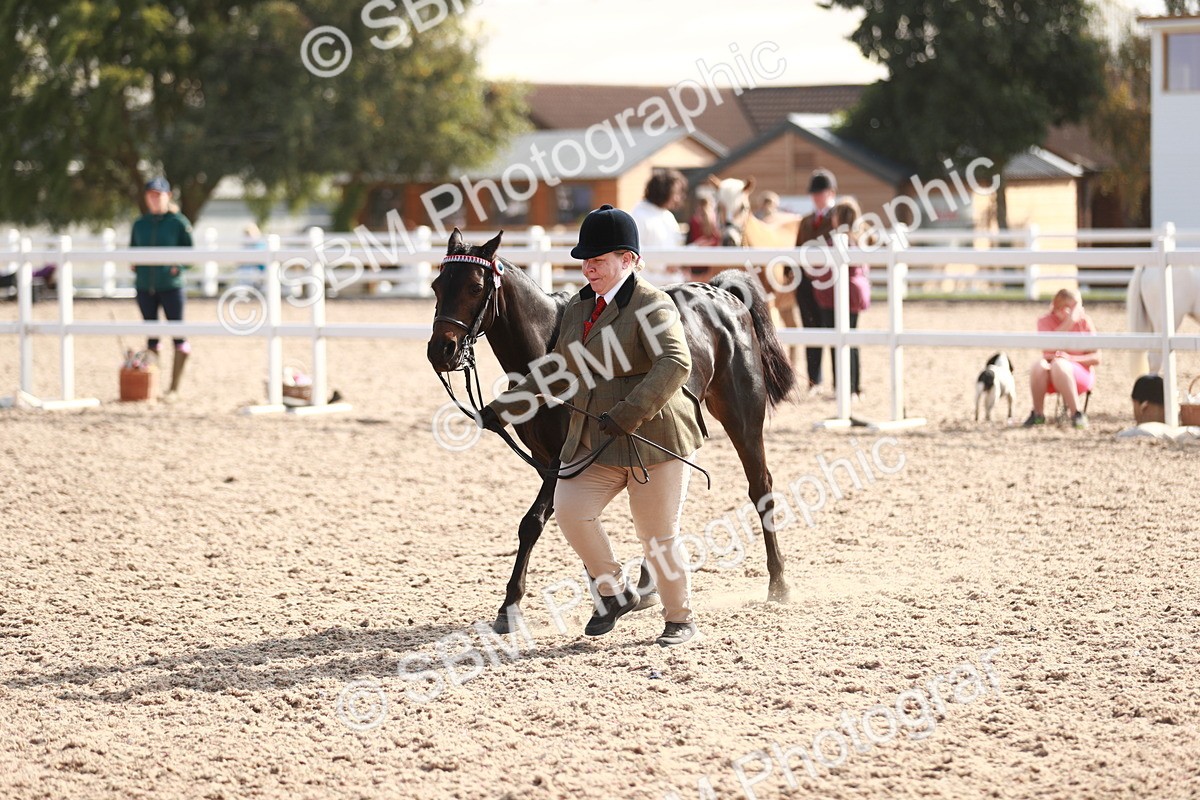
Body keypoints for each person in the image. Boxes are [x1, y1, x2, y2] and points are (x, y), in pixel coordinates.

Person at [478, 205, 705, 648]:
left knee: (656, 536)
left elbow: (675, 362)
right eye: (586, 261)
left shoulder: (652, 304)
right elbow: (560, 369)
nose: (589, 268)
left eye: (598, 261)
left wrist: (629, 412)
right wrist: (504, 408)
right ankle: (614, 591)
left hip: (653, 439)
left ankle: (680, 619)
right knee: (570, 510)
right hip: (596, 438)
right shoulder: (580, 306)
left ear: (629, 260)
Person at [130, 177, 194, 400]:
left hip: (171, 286)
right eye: (151, 195)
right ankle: (152, 387)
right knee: (152, 337)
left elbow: (190, 254)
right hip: (145, 286)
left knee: (178, 335)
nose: (154, 199)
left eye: (158, 195)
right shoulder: (140, 224)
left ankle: (174, 389)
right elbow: (132, 251)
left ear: (168, 196)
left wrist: (178, 266)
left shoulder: (178, 223)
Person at [808, 198, 870, 398]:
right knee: (852, 339)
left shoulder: (835, 242)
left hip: (835, 295)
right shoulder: (859, 240)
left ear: (839, 217)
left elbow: (819, 269)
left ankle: (842, 386)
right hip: (856, 294)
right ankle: (854, 386)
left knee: (838, 341)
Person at [1024, 288, 1099, 429]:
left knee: (1059, 364)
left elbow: (1097, 358)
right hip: (1052, 374)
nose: (1078, 311)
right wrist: (1070, 322)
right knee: (1038, 366)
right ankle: (1038, 414)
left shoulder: (1084, 322)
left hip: (1079, 372)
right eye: (1073, 307)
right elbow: (1049, 348)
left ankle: (1077, 414)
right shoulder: (1044, 321)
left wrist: (1070, 359)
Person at [794, 169, 839, 394]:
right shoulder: (805, 222)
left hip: (831, 283)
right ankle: (814, 380)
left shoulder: (838, 219)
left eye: (820, 193)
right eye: (814, 194)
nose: (816, 197)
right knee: (810, 329)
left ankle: (839, 381)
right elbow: (796, 250)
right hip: (806, 284)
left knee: (834, 330)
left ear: (831, 193)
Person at [631, 169, 687, 282]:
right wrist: (664, 265)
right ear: (662, 190)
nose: (677, 198)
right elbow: (635, 252)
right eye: (675, 193)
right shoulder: (638, 215)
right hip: (650, 284)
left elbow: (675, 246)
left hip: (673, 282)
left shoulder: (668, 216)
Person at [685, 193, 721, 282]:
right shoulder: (715, 223)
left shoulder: (694, 221)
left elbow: (688, 243)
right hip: (710, 264)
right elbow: (717, 241)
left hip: (695, 263)